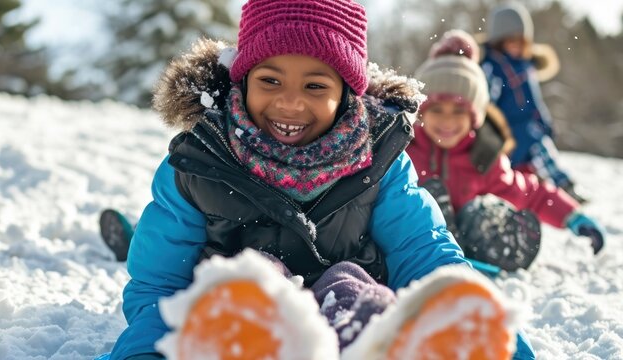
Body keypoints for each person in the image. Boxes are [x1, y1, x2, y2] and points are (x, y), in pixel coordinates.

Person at [105, 1, 534, 359]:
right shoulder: (200, 164)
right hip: (239, 321)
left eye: (315, 86)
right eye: (270, 80)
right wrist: (146, 351)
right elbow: (160, 284)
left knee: (348, 279)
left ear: (347, 92)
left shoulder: (379, 161)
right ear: (243, 79)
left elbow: (424, 254)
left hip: (349, 304)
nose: (290, 101)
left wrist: (492, 335)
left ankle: (372, 344)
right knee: (252, 278)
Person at [408, 30, 605, 273]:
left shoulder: (483, 158)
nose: (447, 120)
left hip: (465, 238)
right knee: (426, 195)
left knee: (482, 210)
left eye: (458, 111)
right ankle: (440, 253)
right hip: (417, 244)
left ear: (475, 117)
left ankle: (497, 246)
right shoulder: (405, 151)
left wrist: (573, 217)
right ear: (420, 113)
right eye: (437, 109)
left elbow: (531, 193)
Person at [479, 3, 586, 203]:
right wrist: (488, 131)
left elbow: (534, 99)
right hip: (506, 132)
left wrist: (543, 121)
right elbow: (487, 103)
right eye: (510, 41)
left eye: (521, 41)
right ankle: (556, 187)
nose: (516, 46)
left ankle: (557, 190)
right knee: (531, 148)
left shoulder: (525, 67)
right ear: (498, 41)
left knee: (539, 148)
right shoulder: (493, 67)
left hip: (527, 127)